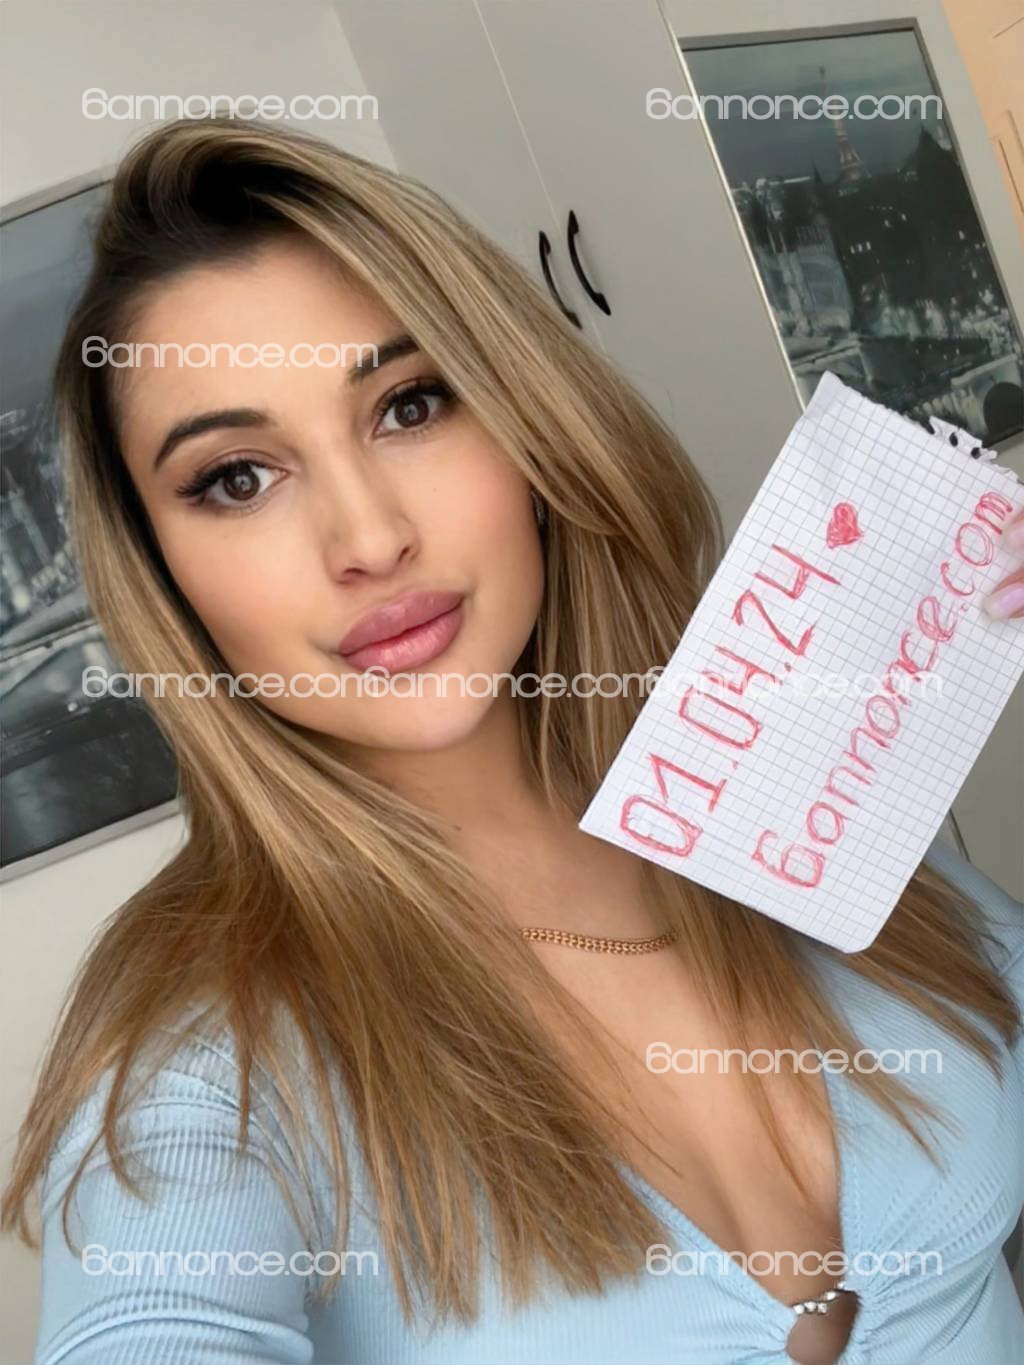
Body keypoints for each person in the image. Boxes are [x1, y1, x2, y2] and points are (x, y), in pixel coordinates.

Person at [3, 116, 1023, 1365]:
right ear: (164, 577)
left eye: (409, 404)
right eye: (237, 478)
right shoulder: (208, 1069)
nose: (370, 538)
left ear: (526, 426)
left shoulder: (786, 780)